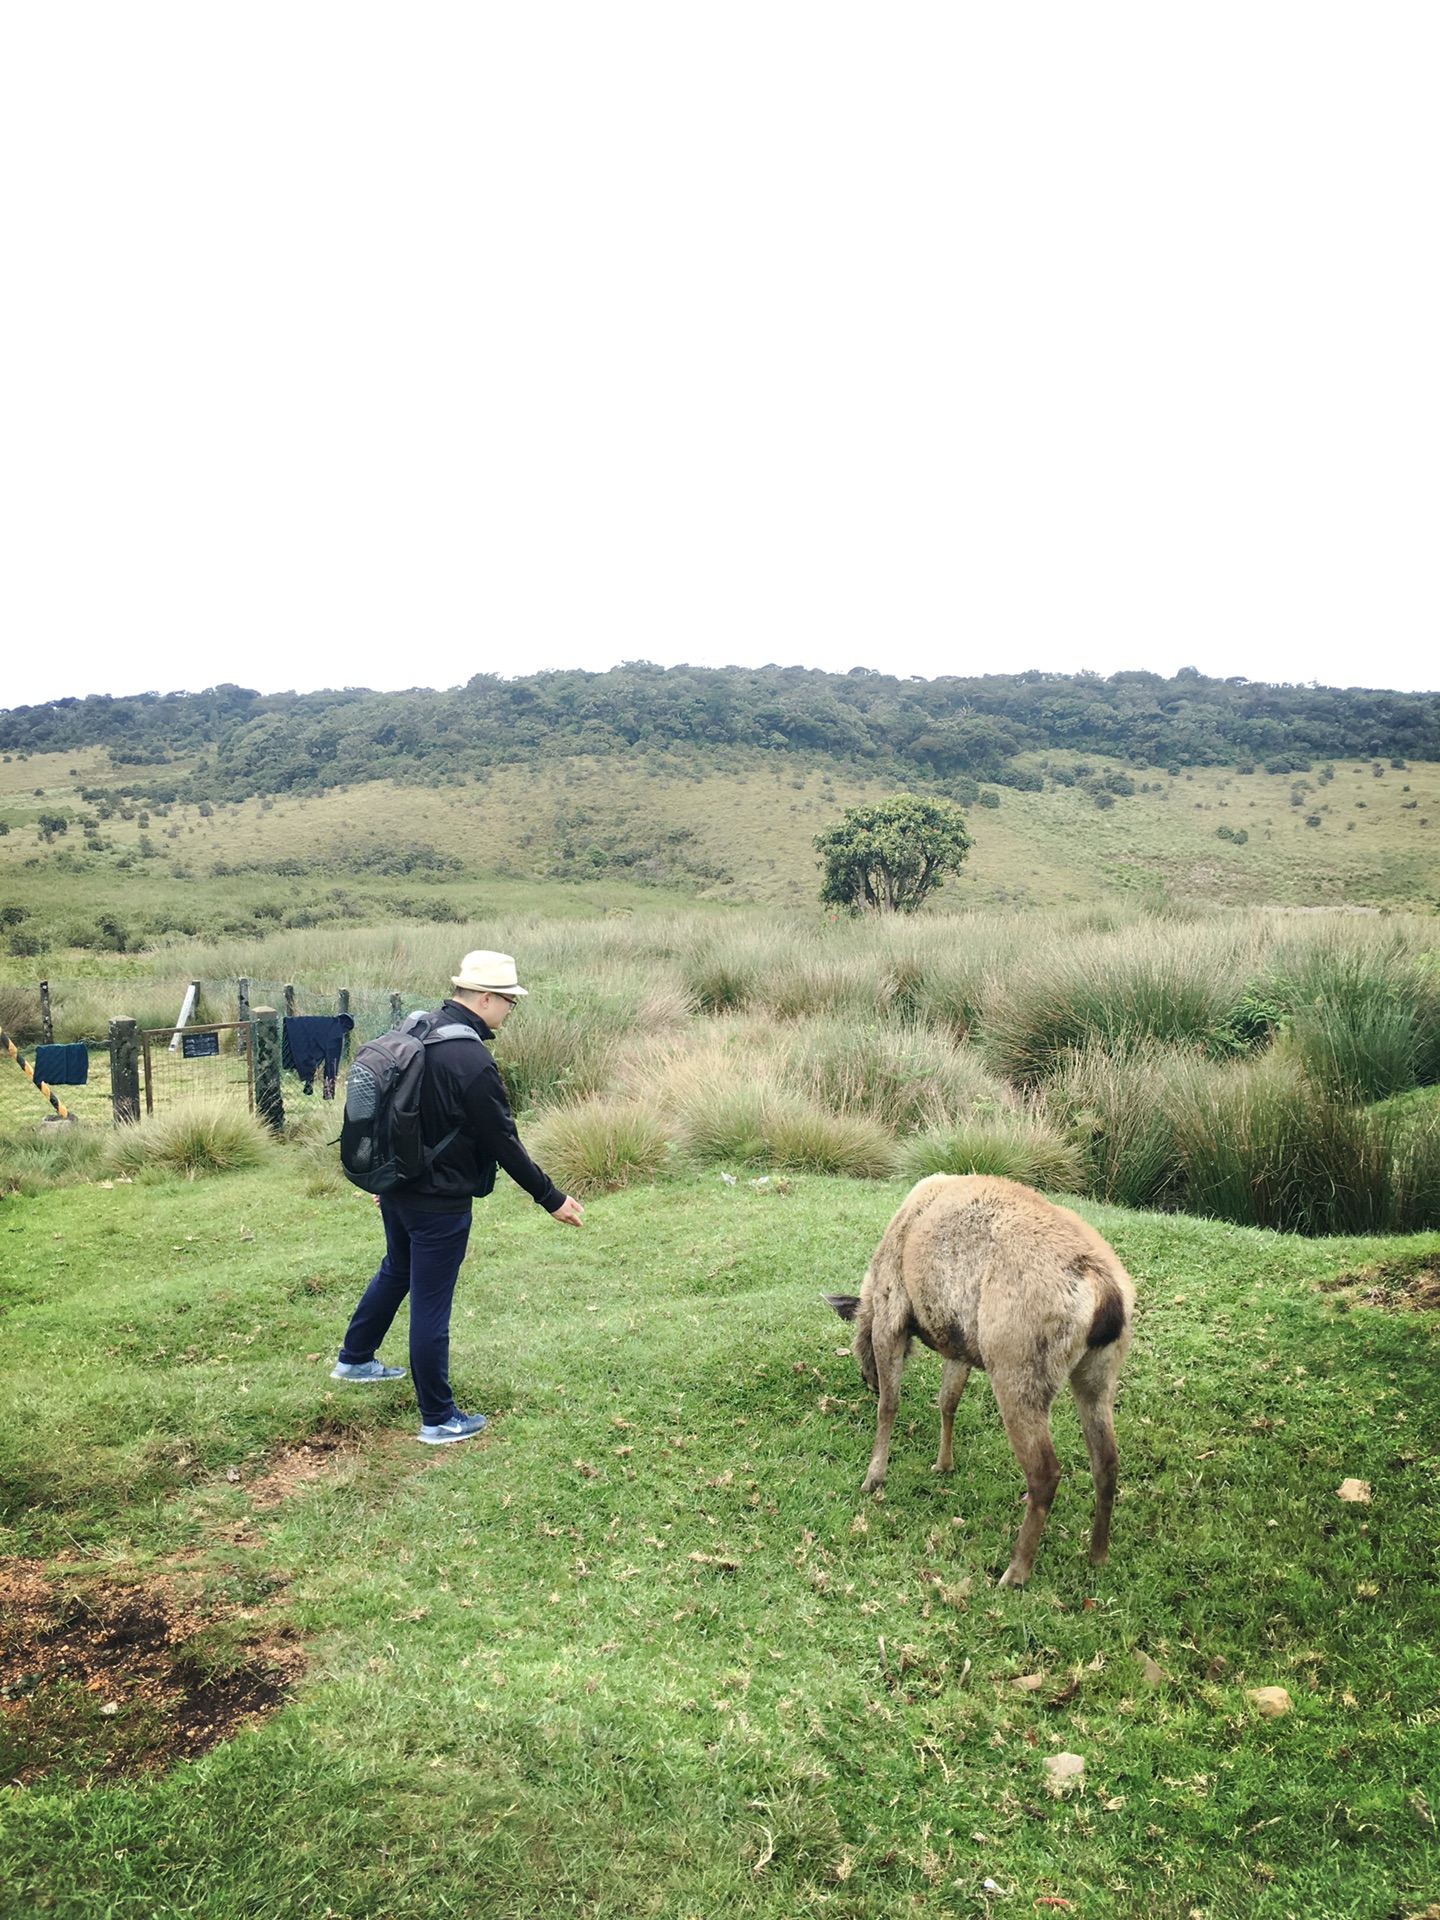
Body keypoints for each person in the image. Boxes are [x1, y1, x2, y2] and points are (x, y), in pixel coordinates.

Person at [331, 950, 583, 1443]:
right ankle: (439, 1418)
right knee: (431, 1301)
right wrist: (550, 1197)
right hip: (439, 1201)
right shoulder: (471, 1059)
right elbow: (502, 1141)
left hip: (397, 1186)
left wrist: (385, 1180)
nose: (510, 1010)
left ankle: (355, 1359)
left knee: (397, 1269)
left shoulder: (417, 1026)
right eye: (509, 1001)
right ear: (486, 998)